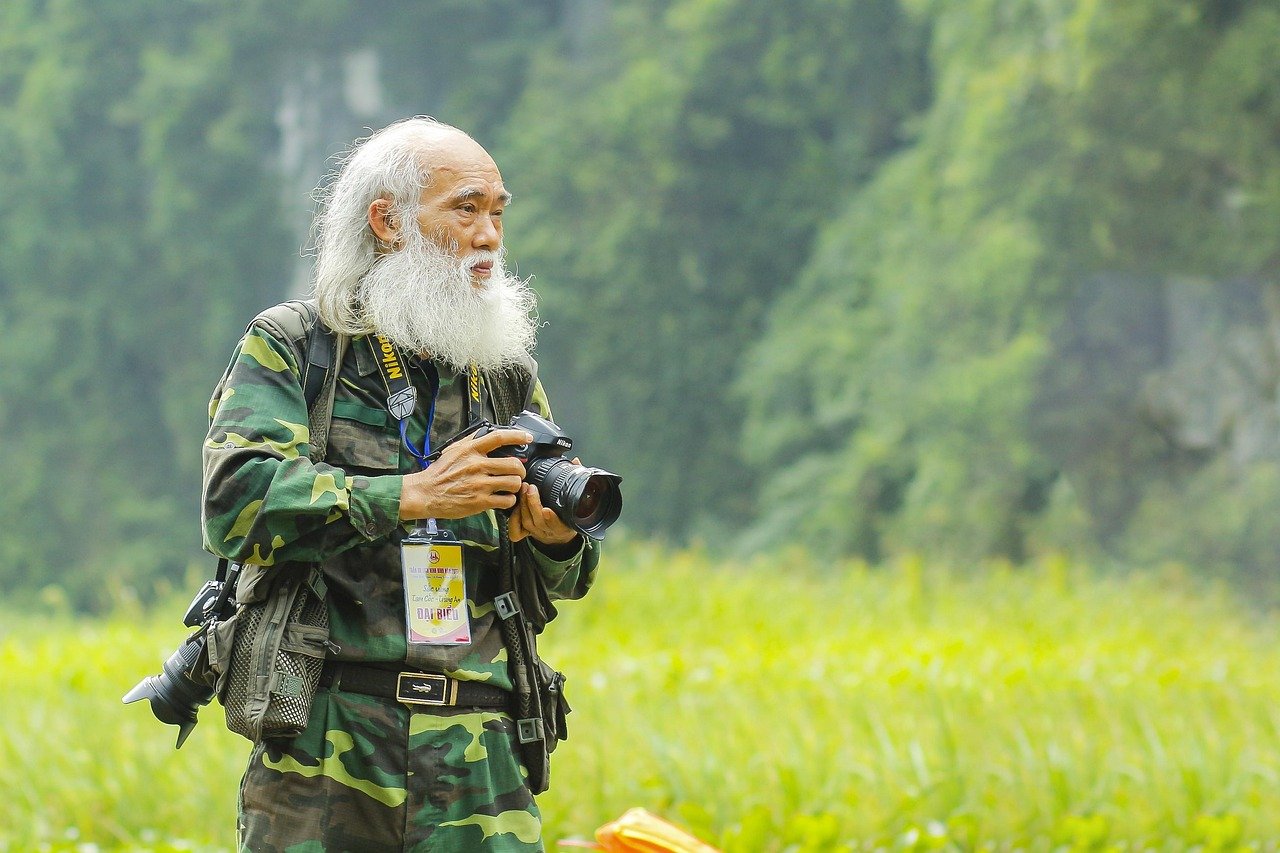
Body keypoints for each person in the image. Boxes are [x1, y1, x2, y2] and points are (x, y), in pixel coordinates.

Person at [202, 117, 600, 851]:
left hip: (482, 755)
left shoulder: (503, 373)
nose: (489, 236)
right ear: (386, 221)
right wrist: (412, 495)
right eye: (465, 208)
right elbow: (236, 502)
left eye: (498, 212)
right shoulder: (297, 346)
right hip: (328, 742)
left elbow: (566, 578)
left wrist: (557, 538)